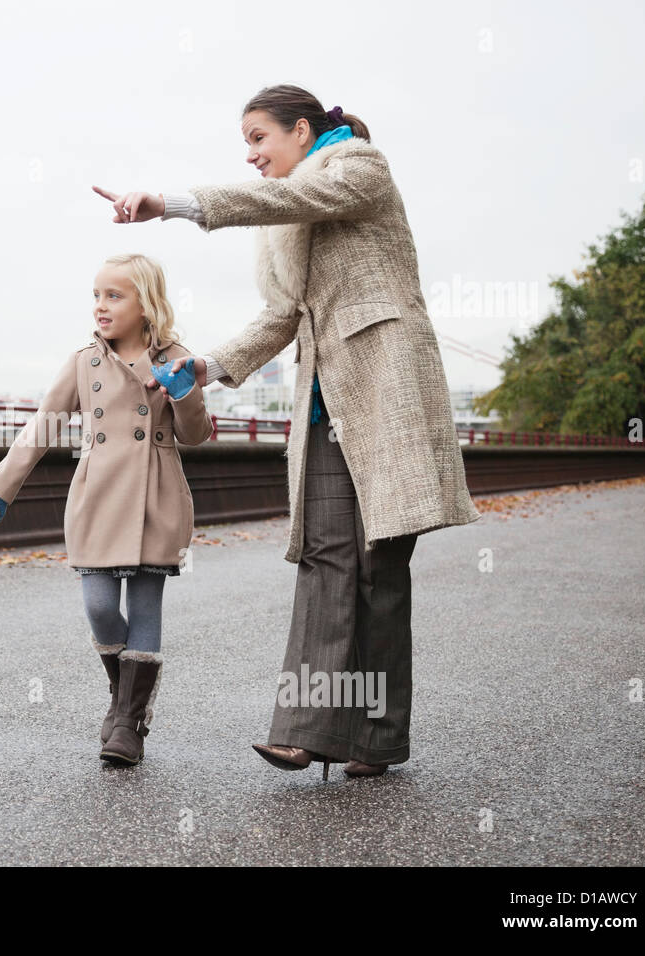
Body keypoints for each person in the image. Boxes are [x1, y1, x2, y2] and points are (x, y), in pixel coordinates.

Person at [94, 85, 479, 780]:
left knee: (381, 571)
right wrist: (208, 367)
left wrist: (173, 204)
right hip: (323, 410)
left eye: (258, 138)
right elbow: (282, 315)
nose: (250, 154)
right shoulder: (281, 220)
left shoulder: (360, 166)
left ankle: (378, 738)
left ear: (302, 131)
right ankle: (304, 731)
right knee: (327, 561)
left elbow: (293, 199)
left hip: (386, 393)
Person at [0, 253, 213, 766]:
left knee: (144, 608)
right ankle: (125, 701)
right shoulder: (84, 361)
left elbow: (194, 435)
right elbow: (42, 428)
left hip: (155, 495)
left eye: (114, 296)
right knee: (99, 606)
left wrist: (184, 393)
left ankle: (129, 725)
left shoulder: (178, 356)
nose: (100, 306)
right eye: (96, 295)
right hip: (97, 497)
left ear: (147, 304)